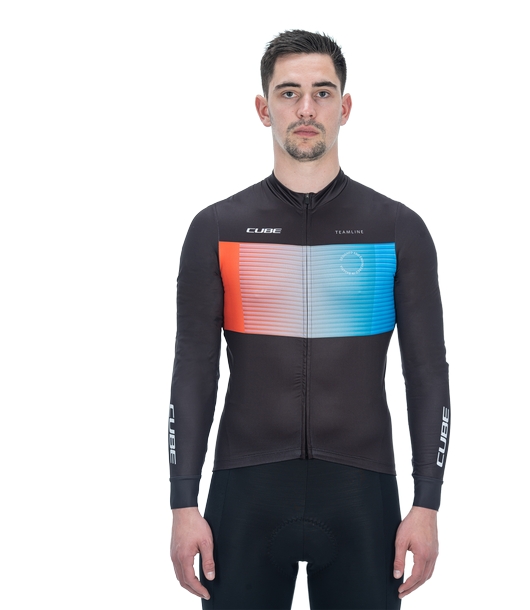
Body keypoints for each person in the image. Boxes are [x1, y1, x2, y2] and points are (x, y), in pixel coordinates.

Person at [168, 30, 450, 609]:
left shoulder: (397, 229)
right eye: (288, 92)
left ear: (344, 108)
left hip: (362, 494)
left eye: (322, 93)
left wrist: (427, 503)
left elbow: (427, 374)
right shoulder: (217, 228)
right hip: (244, 494)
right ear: (262, 107)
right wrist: (182, 503)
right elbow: (193, 372)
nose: (305, 109)